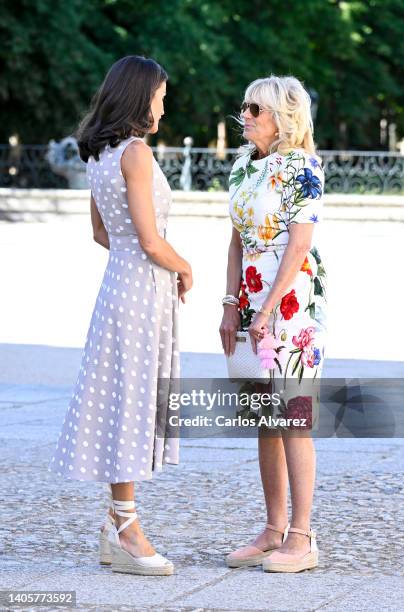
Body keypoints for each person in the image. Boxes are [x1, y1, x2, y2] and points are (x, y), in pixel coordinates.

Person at [48, 55, 193, 576]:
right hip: (142, 290)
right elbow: (152, 240)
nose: (163, 105)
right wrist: (183, 267)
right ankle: (127, 529)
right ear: (139, 97)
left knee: (123, 399)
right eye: (160, 96)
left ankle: (117, 522)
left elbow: (102, 233)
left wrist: (143, 256)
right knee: (133, 402)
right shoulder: (134, 153)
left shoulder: (99, 154)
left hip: (119, 285)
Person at [220, 75, 328, 573]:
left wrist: (265, 310)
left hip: (290, 303)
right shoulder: (244, 164)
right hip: (249, 300)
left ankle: (302, 536)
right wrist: (230, 305)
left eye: (254, 109)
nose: (244, 115)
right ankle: (272, 528)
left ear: (283, 119)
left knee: (293, 417)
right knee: (265, 418)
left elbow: (300, 246)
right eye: (245, 106)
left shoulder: (301, 167)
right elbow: (237, 240)